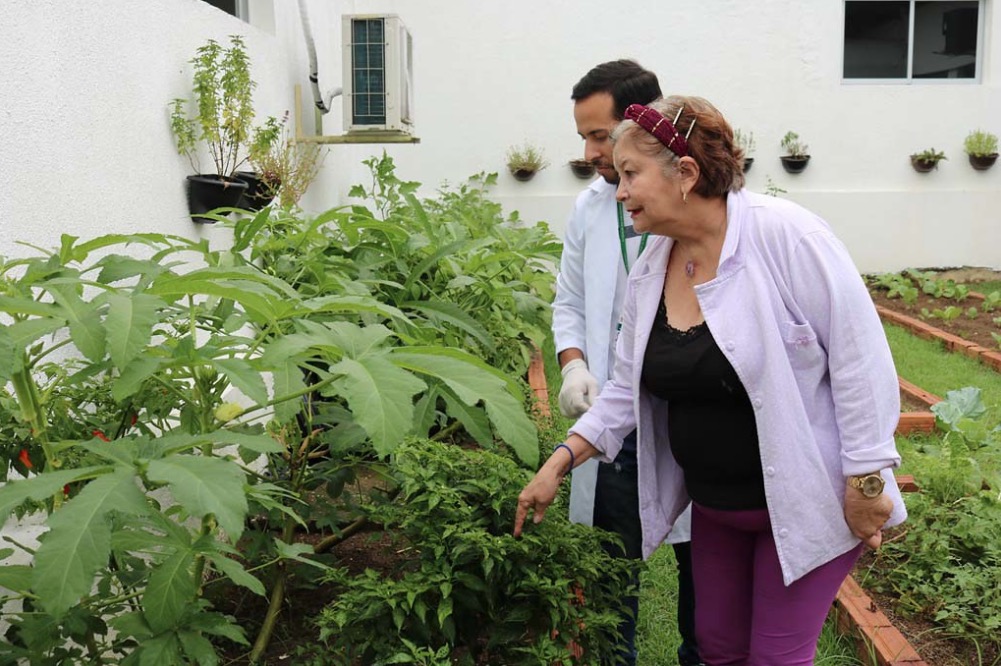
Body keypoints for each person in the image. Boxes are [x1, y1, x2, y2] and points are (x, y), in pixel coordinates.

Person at [516, 94, 907, 666]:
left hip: (800, 504)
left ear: (686, 173)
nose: (618, 191)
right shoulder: (653, 266)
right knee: (719, 652)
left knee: (775, 658)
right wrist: (558, 462)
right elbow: (625, 390)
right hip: (716, 511)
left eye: (630, 174)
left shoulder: (788, 238)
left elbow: (861, 362)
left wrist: (866, 480)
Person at [553, 61, 700, 666]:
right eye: (583, 136)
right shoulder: (589, 208)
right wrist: (573, 365)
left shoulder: (697, 209)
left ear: (643, 121)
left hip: (690, 422)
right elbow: (570, 300)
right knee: (612, 583)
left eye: (599, 135)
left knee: (707, 590)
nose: (590, 152)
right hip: (613, 421)